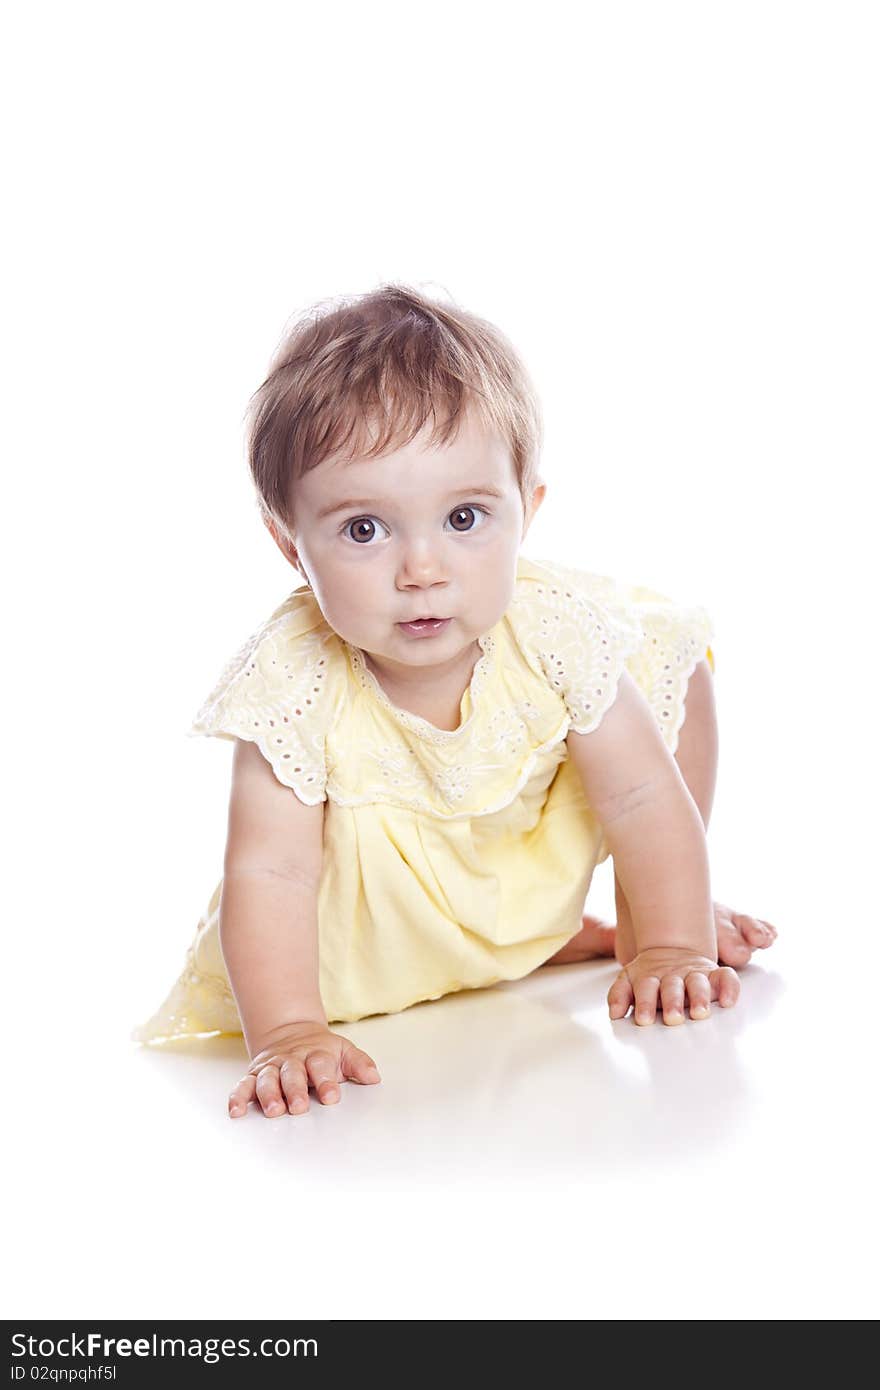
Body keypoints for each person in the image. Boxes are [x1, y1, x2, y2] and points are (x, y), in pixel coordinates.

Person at [133, 283, 778, 1119]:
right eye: (365, 530)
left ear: (527, 511)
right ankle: (551, 940)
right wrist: (288, 1030)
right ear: (291, 545)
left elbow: (642, 793)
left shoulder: (548, 631)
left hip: (498, 866)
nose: (423, 570)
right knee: (298, 900)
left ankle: (649, 919)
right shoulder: (292, 683)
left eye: (466, 517)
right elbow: (270, 868)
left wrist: (674, 945)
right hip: (361, 944)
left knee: (671, 660)